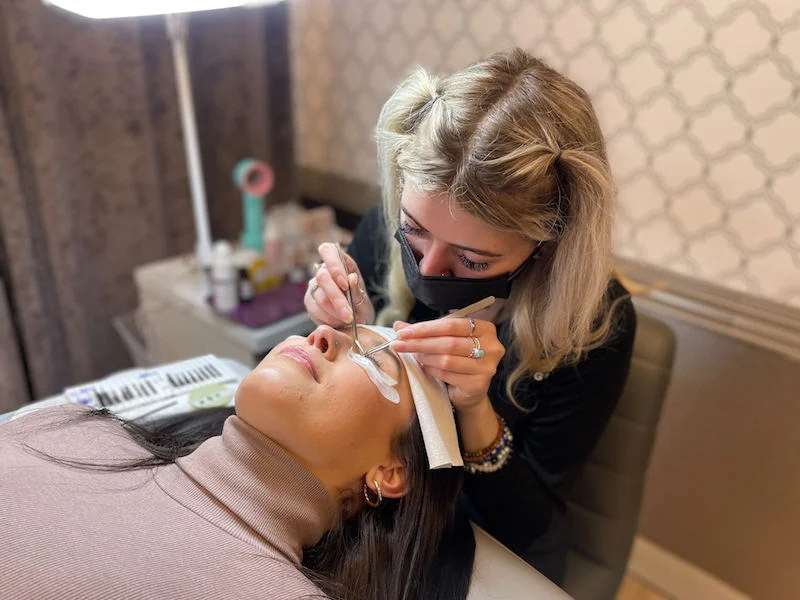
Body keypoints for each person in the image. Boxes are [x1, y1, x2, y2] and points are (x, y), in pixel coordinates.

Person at [304, 48, 637, 584]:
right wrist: (344, 330)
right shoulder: (386, 228)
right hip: (378, 520)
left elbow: (525, 524)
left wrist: (475, 409)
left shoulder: (596, 327)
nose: (428, 268)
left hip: (488, 542)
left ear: (546, 246)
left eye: (473, 259)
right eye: (414, 230)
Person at [0, 325, 474, 600]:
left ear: (391, 474)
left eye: (372, 358)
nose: (323, 333)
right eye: (342, 327)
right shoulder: (70, 427)